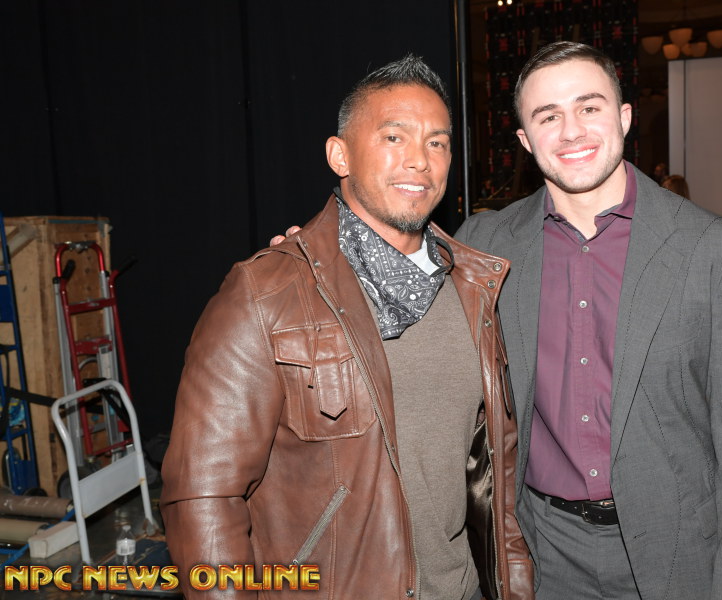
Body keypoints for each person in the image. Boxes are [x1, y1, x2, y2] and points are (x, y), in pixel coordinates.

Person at [161, 55, 533, 600]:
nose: (419, 160)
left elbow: (492, 476)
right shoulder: (265, 294)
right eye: (393, 137)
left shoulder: (473, 286)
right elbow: (203, 496)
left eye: (437, 143)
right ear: (340, 155)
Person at [454, 42, 722, 599]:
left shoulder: (713, 248)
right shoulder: (483, 246)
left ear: (624, 117)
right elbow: (406, 330)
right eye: (548, 116)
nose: (571, 131)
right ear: (525, 140)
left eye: (589, 107)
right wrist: (311, 261)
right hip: (538, 551)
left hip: (680, 553)